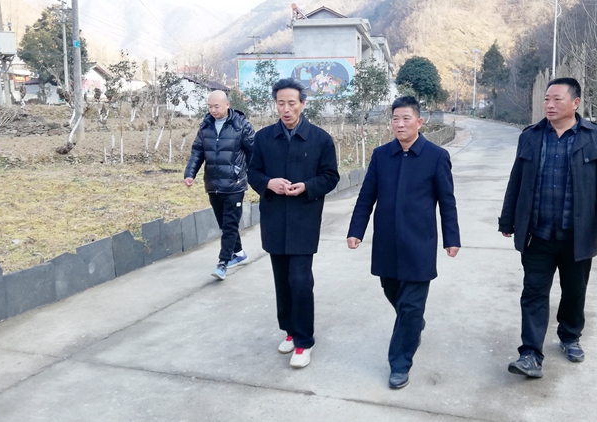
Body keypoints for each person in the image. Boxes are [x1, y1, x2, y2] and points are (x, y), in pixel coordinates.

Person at [498, 77, 597, 378]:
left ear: (575, 103)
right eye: (547, 99)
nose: (550, 105)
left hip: (577, 234)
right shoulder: (531, 136)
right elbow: (516, 180)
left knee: (574, 291)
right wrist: (507, 219)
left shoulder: (596, 137)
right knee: (533, 292)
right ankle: (530, 353)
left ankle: (570, 336)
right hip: (537, 233)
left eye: (557, 99)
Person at [347, 96, 461, 389]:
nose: (399, 124)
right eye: (395, 119)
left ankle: (399, 364)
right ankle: (414, 323)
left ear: (419, 122)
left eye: (406, 118)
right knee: (392, 292)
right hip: (386, 242)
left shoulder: (436, 156)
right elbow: (366, 196)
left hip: (419, 243)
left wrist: (452, 237)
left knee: (410, 307)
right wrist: (356, 230)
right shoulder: (381, 155)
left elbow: (447, 201)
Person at [247, 78, 340, 369]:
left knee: (300, 281)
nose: (286, 109)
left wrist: (307, 186)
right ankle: (289, 330)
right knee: (282, 280)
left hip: (303, 220)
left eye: (291, 103)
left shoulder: (320, 139)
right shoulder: (264, 138)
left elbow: (330, 176)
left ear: (303, 103)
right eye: (280, 103)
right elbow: (253, 173)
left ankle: (304, 341)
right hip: (275, 220)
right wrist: (268, 183)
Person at [184, 90, 255, 280]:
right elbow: (197, 151)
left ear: (227, 105)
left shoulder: (241, 125)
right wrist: (190, 174)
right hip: (213, 183)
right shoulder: (206, 126)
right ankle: (239, 254)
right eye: (210, 107)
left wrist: (247, 174)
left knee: (230, 224)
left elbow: (254, 152)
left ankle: (223, 263)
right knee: (225, 224)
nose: (213, 110)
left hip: (234, 184)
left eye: (216, 106)